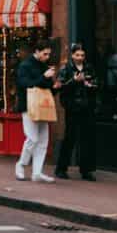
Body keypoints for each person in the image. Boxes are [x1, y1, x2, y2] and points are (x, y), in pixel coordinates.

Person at [15, 40, 58, 183]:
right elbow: (24, 84)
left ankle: (37, 172)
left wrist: (56, 85)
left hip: (42, 106)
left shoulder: (44, 66)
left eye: (49, 54)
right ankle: (21, 165)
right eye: (45, 54)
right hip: (29, 106)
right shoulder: (25, 65)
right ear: (37, 51)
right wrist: (44, 77)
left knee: (43, 141)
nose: (47, 57)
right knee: (32, 138)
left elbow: (48, 89)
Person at [56, 43, 97, 181]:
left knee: (86, 139)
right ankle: (61, 169)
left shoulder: (89, 68)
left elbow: (96, 84)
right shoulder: (66, 69)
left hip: (86, 107)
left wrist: (90, 85)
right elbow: (61, 87)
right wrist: (74, 81)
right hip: (72, 108)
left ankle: (86, 170)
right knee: (69, 138)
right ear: (72, 55)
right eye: (77, 55)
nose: (80, 58)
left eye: (82, 55)